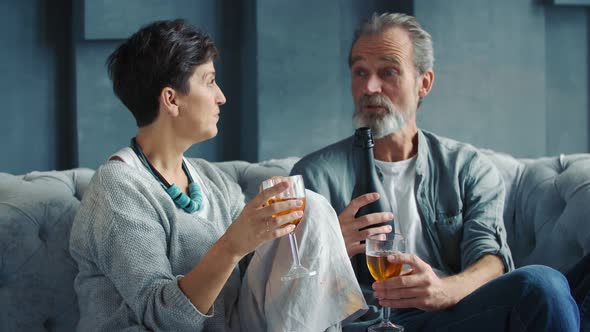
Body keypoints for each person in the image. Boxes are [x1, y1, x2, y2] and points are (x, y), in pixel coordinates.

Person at [291, 12, 584, 331]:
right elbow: (288, 293)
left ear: (424, 83)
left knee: (546, 283)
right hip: (369, 321)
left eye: (388, 71)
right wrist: (329, 246)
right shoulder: (313, 176)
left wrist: (444, 292)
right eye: (360, 72)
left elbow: (491, 259)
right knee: (543, 285)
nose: (370, 86)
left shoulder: (468, 167)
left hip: (456, 313)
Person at [69, 19, 365, 331]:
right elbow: (165, 319)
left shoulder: (209, 180)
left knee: (312, 208)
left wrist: (317, 242)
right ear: (171, 99)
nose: (221, 96)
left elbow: (258, 272)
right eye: (209, 81)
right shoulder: (118, 188)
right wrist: (231, 245)